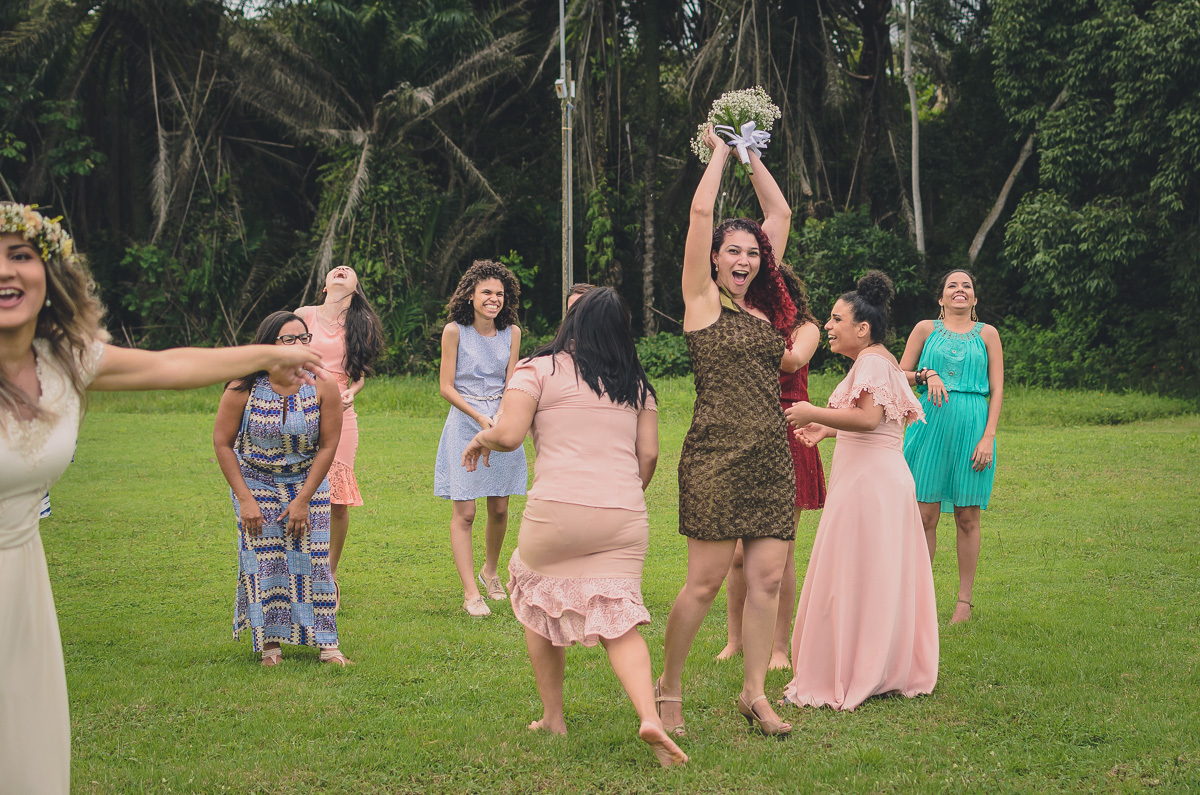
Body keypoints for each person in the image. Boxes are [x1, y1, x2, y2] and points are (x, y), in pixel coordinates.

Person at [0, 202, 323, 795]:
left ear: (48, 273)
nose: (4, 270)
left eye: (19, 255)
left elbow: (174, 365)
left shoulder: (63, 360)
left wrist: (270, 354)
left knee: (24, 751)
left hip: (21, 574)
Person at [461, 287, 687, 768]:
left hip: (557, 512)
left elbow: (509, 435)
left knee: (532, 592)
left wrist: (482, 438)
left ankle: (553, 717)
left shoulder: (537, 369)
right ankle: (650, 716)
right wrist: (623, 496)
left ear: (573, 323)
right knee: (620, 621)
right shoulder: (637, 384)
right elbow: (649, 455)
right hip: (624, 514)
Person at [657, 126, 799, 737]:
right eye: (733, 252)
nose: (744, 261)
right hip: (715, 456)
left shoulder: (764, 305)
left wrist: (750, 155)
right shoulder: (701, 300)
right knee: (705, 583)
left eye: (752, 253)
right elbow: (700, 213)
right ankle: (668, 689)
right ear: (714, 259)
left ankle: (754, 693)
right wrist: (718, 153)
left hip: (771, 455)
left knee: (767, 579)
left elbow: (780, 214)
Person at [782, 271, 939, 712]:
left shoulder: (872, 363)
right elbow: (882, 422)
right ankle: (881, 663)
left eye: (837, 319)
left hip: (870, 484)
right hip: (878, 479)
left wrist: (813, 411)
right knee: (873, 572)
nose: (828, 326)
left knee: (859, 571)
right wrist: (827, 429)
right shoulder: (881, 361)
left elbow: (869, 420)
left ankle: (860, 666)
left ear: (863, 328)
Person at [214, 311, 350, 668]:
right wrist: (245, 498)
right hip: (256, 480)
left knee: (314, 561)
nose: (298, 344)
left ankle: (327, 645)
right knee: (266, 561)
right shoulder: (242, 387)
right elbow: (223, 443)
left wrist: (304, 499)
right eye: (289, 339)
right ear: (269, 344)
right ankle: (270, 646)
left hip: (307, 479)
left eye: (303, 338)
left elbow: (328, 445)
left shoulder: (322, 385)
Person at [716, 264, 825, 670]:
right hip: (745, 434)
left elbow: (792, 363)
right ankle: (735, 640)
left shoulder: (805, 328)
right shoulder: (744, 323)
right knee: (737, 555)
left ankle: (779, 647)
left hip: (790, 431)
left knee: (779, 554)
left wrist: (751, 329)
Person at [899, 269, 1004, 624]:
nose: (960, 290)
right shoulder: (924, 329)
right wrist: (927, 374)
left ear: (974, 299)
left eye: (967, 286)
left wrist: (988, 436)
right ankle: (920, 601)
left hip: (974, 428)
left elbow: (997, 389)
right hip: (929, 427)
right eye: (952, 286)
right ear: (941, 298)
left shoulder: (988, 334)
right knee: (924, 515)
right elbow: (898, 375)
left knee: (967, 516)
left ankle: (964, 602)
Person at [434, 260, 527, 617]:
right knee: (466, 511)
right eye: (486, 292)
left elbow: (512, 381)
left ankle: (491, 571)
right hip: (465, 421)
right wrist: (477, 416)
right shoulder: (454, 331)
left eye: (499, 293)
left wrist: (502, 415)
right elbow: (446, 386)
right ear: (470, 295)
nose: (494, 299)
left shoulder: (512, 332)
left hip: (501, 421)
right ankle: (471, 593)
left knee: (500, 507)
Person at [295, 266, 383, 602]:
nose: (342, 269)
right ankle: (300, 567)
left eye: (349, 271)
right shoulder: (303, 316)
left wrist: (352, 393)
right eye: (336, 269)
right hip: (302, 407)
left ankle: (328, 574)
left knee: (337, 500)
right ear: (324, 286)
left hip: (342, 414)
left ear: (356, 289)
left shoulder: (362, 324)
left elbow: (359, 374)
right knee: (300, 490)